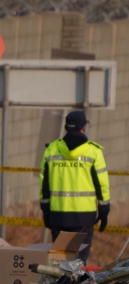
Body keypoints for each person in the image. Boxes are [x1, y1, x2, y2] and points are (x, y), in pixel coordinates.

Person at [40, 110, 110, 262]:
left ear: (66, 127)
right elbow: (102, 184)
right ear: (83, 127)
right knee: (79, 263)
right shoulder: (93, 152)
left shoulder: (51, 149)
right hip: (83, 217)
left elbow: (44, 184)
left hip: (58, 215)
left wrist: (45, 210)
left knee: (60, 262)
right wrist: (104, 210)